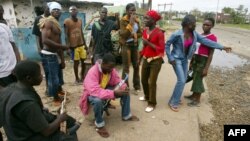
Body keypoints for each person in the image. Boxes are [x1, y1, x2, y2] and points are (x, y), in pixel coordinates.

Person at [165, 14, 232, 112]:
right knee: (181, 80)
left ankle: (175, 98)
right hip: (176, 60)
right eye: (194, 23)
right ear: (188, 24)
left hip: (184, 60)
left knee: (183, 80)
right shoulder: (177, 34)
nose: (196, 25)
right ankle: (173, 102)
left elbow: (207, 41)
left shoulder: (194, 34)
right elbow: (167, 45)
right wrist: (170, 57)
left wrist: (222, 47)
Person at [0, 60, 79, 141]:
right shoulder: (27, 104)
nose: (42, 76)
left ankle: (69, 130)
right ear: (29, 78)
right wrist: (60, 119)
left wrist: (40, 110)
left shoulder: (10, 89)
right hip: (27, 137)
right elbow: (47, 131)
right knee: (67, 137)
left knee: (67, 120)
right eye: (39, 74)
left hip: (17, 132)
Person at [79, 53, 139, 138]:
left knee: (125, 91)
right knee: (97, 101)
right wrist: (113, 93)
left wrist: (123, 86)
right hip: (91, 93)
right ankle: (99, 125)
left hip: (103, 89)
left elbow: (117, 80)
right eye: (109, 67)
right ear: (103, 64)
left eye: (112, 67)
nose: (111, 70)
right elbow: (95, 91)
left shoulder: (110, 70)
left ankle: (126, 115)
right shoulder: (92, 72)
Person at [40, 2, 69, 105]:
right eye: (54, 10)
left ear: (61, 12)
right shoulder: (48, 22)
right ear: (50, 11)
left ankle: (58, 91)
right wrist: (62, 47)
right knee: (53, 78)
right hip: (48, 54)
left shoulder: (56, 23)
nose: (56, 11)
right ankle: (55, 98)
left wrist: (62, 59)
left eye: (58, 9)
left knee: (58, 75)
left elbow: (58, 41)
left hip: (55, 54)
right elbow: (45, 40)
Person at [184, 17, 217, 106]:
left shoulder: (212, 37)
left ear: (212, 26)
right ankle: (193, 95)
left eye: (208, 25)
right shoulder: (199, 35)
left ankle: (197, 100)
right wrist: (191, 62)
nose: (205, 26)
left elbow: (210, 54)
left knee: (198, 79)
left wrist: (206, 68)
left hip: (203, 60)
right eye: (204, 24)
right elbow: (195, 49)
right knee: (194, 77)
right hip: (195, 58)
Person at [138, 10, 165, 113]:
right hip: (146, 58)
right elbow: (144, 47)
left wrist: (148, 43)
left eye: (147, 18)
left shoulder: (159, 33)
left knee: (152, 82)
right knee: (144, 80)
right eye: (144, 18)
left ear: (153, 20)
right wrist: (140, 58)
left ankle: (152, 103)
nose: (144, 20)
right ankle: (146, 96)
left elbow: (161, 49)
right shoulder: (145, 31)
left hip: (156, 61)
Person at [0, 18, 21, 141]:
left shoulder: (4, 27)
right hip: (1, 76)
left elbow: (14, 46)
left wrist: (18, 64)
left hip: (12, 72)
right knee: (6, 109)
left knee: (17, 103)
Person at [119, 3, 142, 93]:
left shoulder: (137, 20)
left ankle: (136, 86)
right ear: (127, 11)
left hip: (134, 46)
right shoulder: (123, 21)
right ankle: (125, 86)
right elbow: (123, 35)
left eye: (134, 10)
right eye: (131, 10)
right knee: (126, 67)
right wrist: (130, 24)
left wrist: (134, 35)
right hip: (126, 46)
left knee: (136, 66)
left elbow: (140, 33)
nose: (133, 12)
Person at [64, 6, 87, 84]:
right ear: (69, 12)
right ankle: (76, 78)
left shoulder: (80, 20)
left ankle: (82, 76)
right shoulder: (67, 21)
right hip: (73, 47)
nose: (73, 11)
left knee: (84, 62)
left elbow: (81, 32)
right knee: (76, 63)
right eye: (71, 10)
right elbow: (66, 35)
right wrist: (67, 47)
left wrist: (85, 44)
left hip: (81, 44)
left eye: (75, 10)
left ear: (77, 11)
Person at [32, 2, 50, 95]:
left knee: (54, 69)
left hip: (53, 49)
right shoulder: (38, 19)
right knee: (47, 69)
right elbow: (36, 35)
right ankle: (48, 88)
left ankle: (56, 88)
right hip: (44, 49)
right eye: (47, 8)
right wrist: (39, 47)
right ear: (43, 9)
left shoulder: (52, 18)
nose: (48, 9)